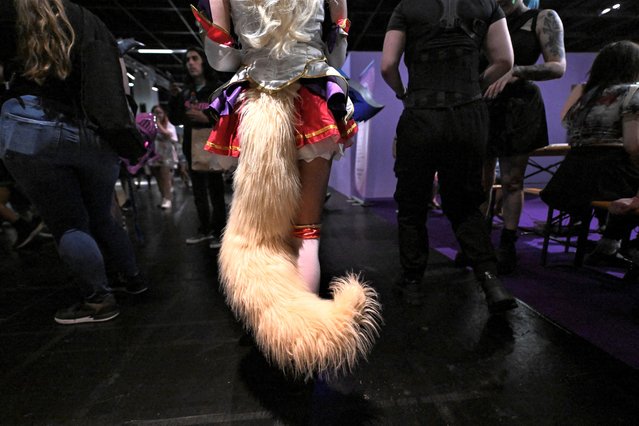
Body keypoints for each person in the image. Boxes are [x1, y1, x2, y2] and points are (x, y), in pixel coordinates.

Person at [191, 0, 381, 378]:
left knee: (262, 231)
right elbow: (337, 53)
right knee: (306, 229)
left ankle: (287, 333)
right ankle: (306, 340)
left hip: (258, 106)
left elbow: (221, 61)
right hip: (312, 99)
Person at [0, 0, 147, 324]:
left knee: (68, 222)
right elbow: (113, 85)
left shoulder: (11, 12)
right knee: (104, 215)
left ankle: (97, 301)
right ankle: (132, 278)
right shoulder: (87, 17)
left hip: (31, 123)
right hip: (90, 131)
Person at [381, 0, 517, 313]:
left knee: (413, 203)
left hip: (421, 112)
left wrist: (403, 93)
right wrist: (473, 87)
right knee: (465, 203)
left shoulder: (405, 7)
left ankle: (413, 282)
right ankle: (490, 280)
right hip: (468, 115)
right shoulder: (487, 5)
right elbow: (505, 60)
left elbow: (388, 65)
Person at [481, 0, 566, 274]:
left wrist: (518, 71)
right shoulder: (484, 19)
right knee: (479, 180)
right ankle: (479, 243)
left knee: (512, 180)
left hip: (519, 106)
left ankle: (507, 242)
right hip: (482, 104)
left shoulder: (542, 18)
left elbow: (557, 66)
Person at [541, 41, 639, 267]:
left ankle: (609, 241)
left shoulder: (585, 97)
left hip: (571, 178)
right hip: (609, 177)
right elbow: (634, 146)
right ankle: (622, 246)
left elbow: (567, 125)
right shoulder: (633, 92)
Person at [167, 47, 227, 248]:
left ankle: (220, 232)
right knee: (199, 192)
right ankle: (204, 229)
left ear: (203, 62)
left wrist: (206, 117)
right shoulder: (185, 92)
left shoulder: (216, 88)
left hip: (212, 145)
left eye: (194, 59)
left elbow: (228, 116)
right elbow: (175, 120)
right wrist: (174, 98)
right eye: (187, 60)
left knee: (216, 190)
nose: (190, 63)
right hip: (191, 147)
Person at [149, 105, 178, 210]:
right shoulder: (150, 126)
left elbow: (169, 136)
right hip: (153, 156)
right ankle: (164, 198)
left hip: (166, 155)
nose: (157, 115)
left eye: (159, 112)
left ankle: (168, 199)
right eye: (155, 113)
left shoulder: (169, 125)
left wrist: (158, 125)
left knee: (165, 178)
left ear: (164, 114)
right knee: (158, 178)